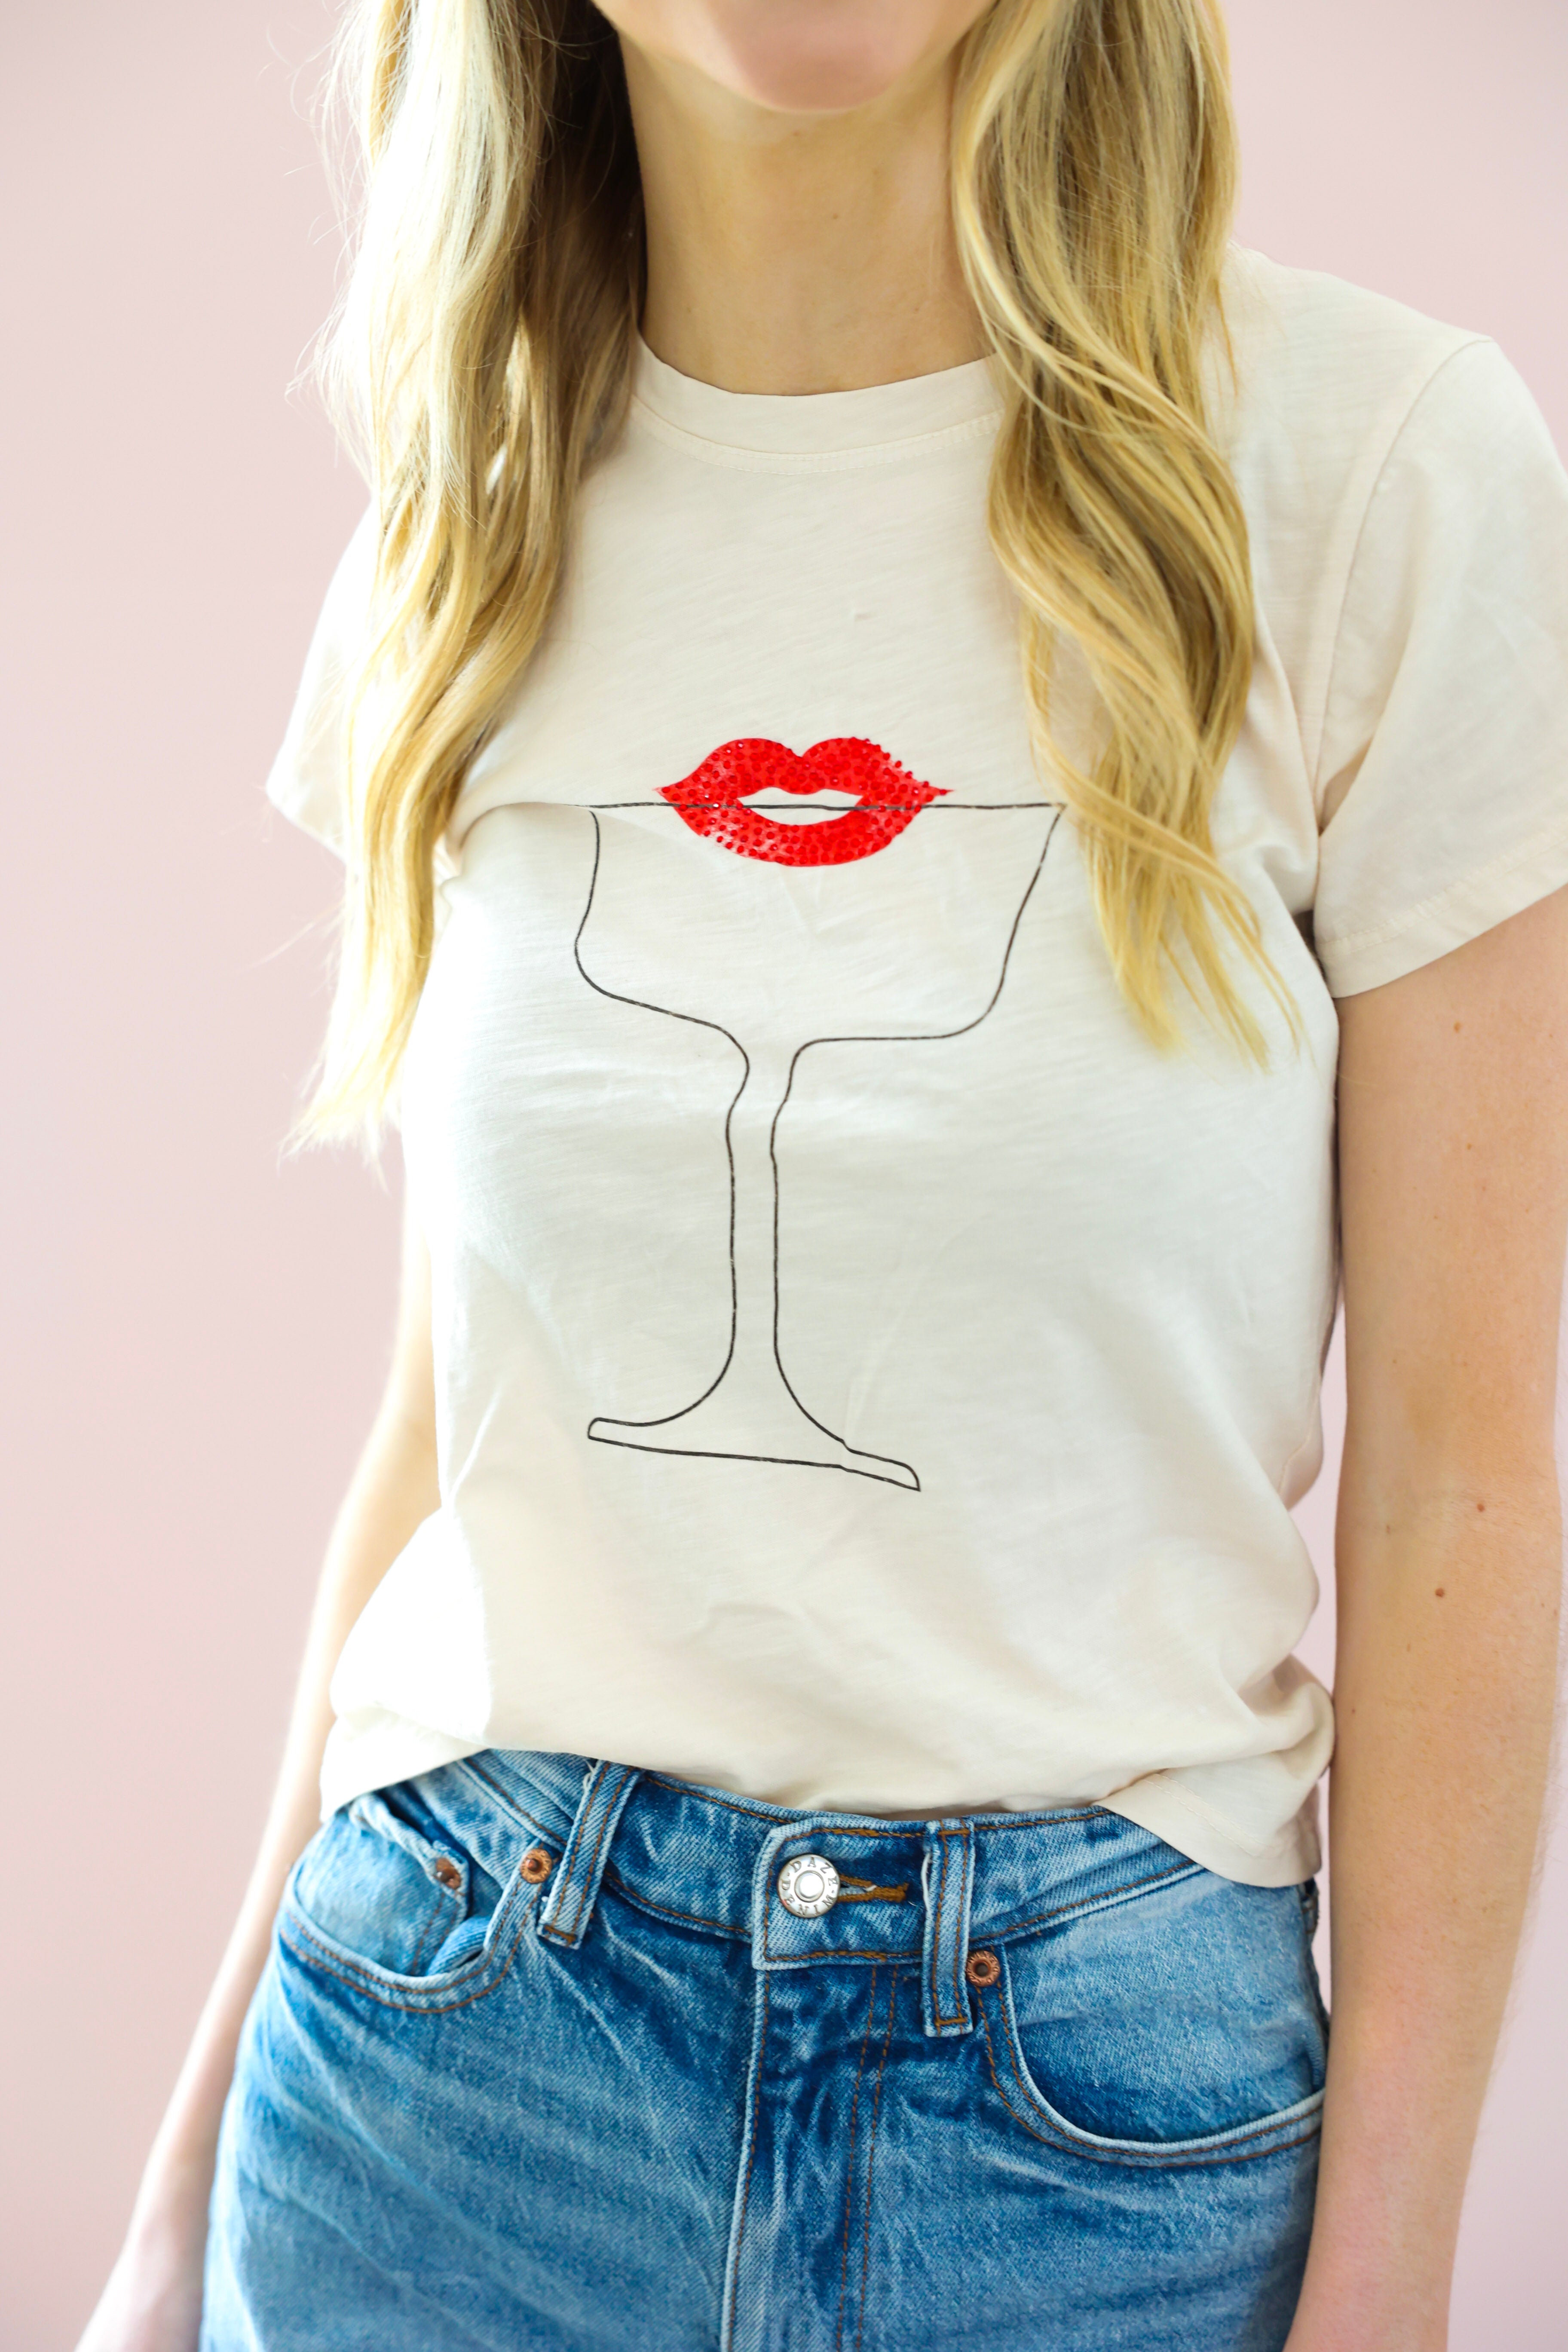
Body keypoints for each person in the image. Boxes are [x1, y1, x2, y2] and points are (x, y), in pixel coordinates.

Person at [80, 2, 1568, 2347]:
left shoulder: (1376, 476)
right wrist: (175, 2213)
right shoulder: (478, 522)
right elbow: (458, 1439)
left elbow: (1461, 1478)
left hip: (1093, 2148)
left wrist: (1387, 2288)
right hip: (448, 2085)